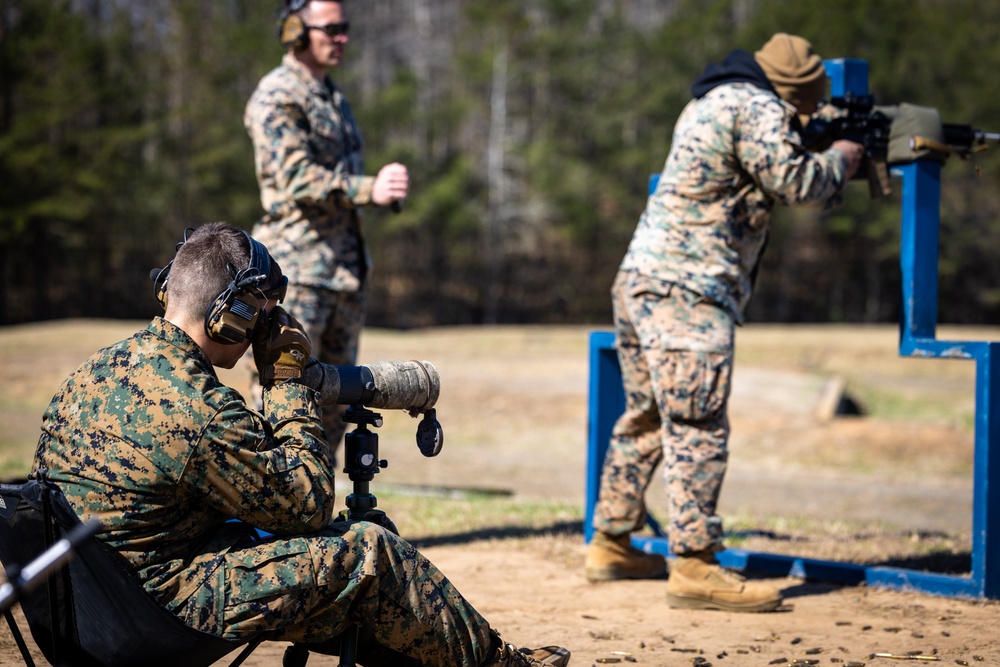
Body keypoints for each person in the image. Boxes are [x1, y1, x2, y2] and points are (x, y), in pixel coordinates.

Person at [32, 222, 570, 667]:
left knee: (329, 583)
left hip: (83, 611)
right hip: (157, 611)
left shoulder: (90, 374)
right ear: (231, 314)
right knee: (366, 553)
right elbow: (307, 506)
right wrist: (287, 385)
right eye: (260, 315)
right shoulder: (198, 410)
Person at [585, 34, 865, 613]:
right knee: (697, 424)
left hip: (642, 278)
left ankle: (611, 542)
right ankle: (695, 565)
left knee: (647, 418)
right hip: (689, 289)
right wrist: (842, 157)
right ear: (796, 93)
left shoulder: (711, 101)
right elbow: (796, 181)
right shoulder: (758, 107)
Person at [243, 0, 409, 456]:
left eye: (345, 28)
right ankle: (263, 518)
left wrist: (379, 191)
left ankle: (313, 508)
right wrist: (367, 187)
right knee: (282, 393)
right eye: (331, 28)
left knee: (336, 400)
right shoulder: (277, 95)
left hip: (344, 273)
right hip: (299, 271)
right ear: (296, 30)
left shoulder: (334, 98)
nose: (342, 38)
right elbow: (295, 177)